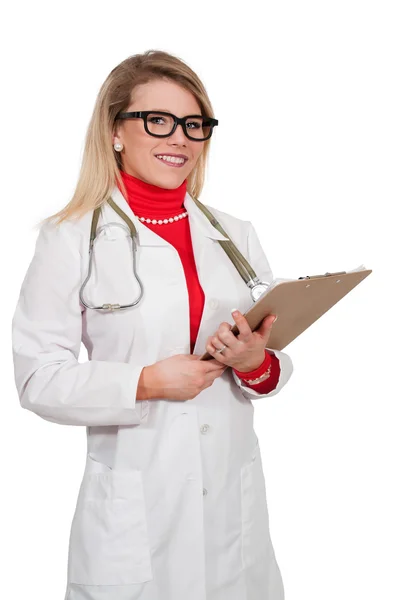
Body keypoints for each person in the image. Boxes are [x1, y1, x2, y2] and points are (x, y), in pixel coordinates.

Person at [11, 49, 294, 600]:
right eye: (157, 121)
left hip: (233, 520)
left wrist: (255, 363)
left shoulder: (236, 235)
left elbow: (276, 365)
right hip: (135, 510)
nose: (180, 139)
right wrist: (143, 382)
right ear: (115, 130)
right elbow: (37, 378)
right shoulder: (70, 237)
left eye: (194, 124)